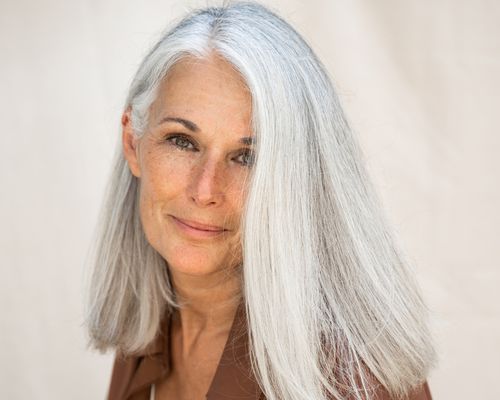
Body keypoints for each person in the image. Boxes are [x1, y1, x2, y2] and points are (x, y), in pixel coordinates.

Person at [84, 2, 437, 399]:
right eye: (182, 141)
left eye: (247, 156)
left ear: (295, 180)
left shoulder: (355, 379)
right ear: (133, 142)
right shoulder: (146, 331)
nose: (204, 189)